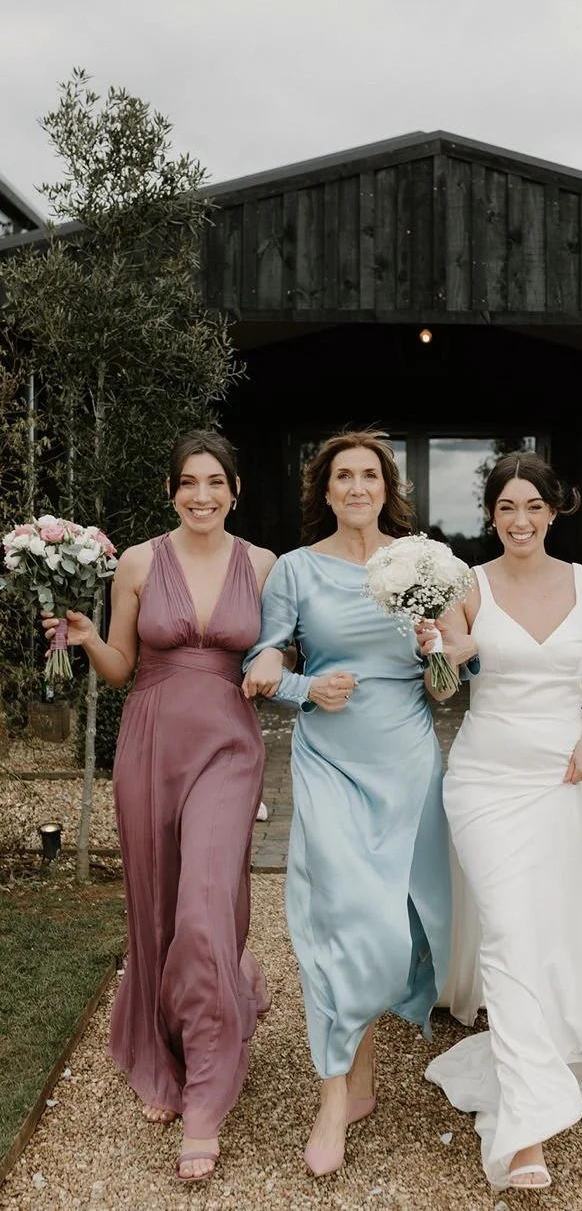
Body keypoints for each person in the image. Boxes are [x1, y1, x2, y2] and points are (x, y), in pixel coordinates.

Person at [41, 430, 277, 1183]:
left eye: (215, 482)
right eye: (188, 483)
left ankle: (205, 1090)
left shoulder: (266, 566)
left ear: (236, 490)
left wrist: (280, 662)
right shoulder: (139, 562)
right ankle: (167, 1039)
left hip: (230, 749)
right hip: (150, 745)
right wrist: (85, 639)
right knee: (158, 905)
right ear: (171, 490)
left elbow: (281, 650)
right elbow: (120, 667)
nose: (201, 495)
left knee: (206, 903)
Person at [241, 429, 460, 1178]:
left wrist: (436, 650)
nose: (358, 487)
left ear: (386, 487)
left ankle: (361, 1069)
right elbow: (264, 660)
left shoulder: (423, 563)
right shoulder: (296, 571)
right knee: (338, 919)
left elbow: (444, 689)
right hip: (330, 760)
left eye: (370, 474)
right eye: (344, 477)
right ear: (326, 491)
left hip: (405, 760)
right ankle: (333, 1096)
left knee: (388, 928)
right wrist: (304, 687)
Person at [418, 451, 582, 1191]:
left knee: (547, 931)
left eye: (533, 507)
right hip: (483, 781)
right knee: (510, 933)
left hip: (563, 775)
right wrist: (447, 654)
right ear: (491, 516)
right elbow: (444, 689)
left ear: (554, 510)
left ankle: (541, 1054)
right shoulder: (465, 586)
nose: (520, 521)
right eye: (506, 508)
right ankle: (523, 1134)